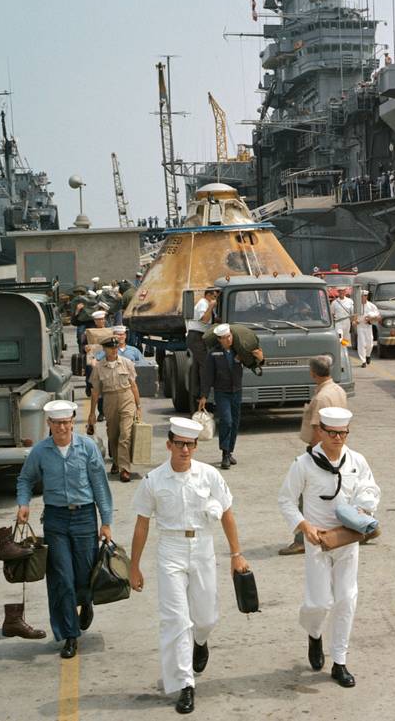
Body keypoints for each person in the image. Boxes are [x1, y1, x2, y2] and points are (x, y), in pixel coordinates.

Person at [129, 417, 250, 715]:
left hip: (202, 547)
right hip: (170, 548)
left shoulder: (209, 476)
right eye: (180, 444)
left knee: (206, 617)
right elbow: (142, 524)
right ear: (169, 445)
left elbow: (227, 514)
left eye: (190, 445)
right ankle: (185, 684)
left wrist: (237, 554)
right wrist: (134, 566)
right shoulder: (154, 480)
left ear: (196, 446)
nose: (185, 450)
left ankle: (201, 641)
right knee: (176, 620)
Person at [278, 407, 380, 688]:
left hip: (347, 539)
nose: (338, 438)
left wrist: (363, 506)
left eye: (343, 433)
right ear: (320, 431)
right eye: (332, 432)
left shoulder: (356, 461)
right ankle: (314, 633)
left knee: (347, 598)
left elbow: (371, 489)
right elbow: (286, 500)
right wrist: (304, 526)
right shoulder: (304, 464)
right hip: (318, 542)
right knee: (318, 603)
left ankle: (339, 661)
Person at [16, 400, 113, 659]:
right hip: (56, 520)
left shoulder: (87, 448)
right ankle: (70, 635)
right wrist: (23, 503)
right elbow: (25, 478)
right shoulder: (41, 452)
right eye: (56, 423)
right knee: (62, 579)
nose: (61, 428)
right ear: (49, 424)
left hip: (84, 518)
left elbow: (100, 486)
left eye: (66, 422)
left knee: (84, 574)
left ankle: (86, 602)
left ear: (73, 422)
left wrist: (105, 522)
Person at [278, 357, 349, 556]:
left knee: (305, 494)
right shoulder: (338, 390)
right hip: (336, 449)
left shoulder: (322, 397)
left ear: (313, 373)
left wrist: (314, 454)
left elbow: (319, 430)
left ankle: (301, 539)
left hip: (322, 452)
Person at [87, 336, 141, 483]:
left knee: (125, 434)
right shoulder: (98, 367)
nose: (114, 350)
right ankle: (116, 462)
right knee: (113, 434)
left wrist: (138, 405)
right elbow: (95, 392)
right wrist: (92, 413)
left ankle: (125, 469)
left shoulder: (127, 363)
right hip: (109, 400)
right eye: (111, 348)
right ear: (104, 349)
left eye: (116, 347)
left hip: (126, 398)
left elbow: (134, 385)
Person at [199, 324, 245, 470]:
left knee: (235, 422)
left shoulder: (238, 352)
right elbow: (207, 376)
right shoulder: (213, 354)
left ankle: (230, 451)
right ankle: (224, 454)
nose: (229, 340)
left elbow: (255, 362)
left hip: (237, 391)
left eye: (230, 336)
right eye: (225, 338)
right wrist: (204, 396)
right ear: (219, 339)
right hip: (222, 392)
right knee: (227, 421)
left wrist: (259, 357)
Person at [186, 289, 218, 402]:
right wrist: (211, 306)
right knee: (205, 364)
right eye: (214, 297)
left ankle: (197, 392)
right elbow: (205, 319)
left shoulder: (207, 304)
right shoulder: (203, 303)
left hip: (201, 337)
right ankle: (204, 394)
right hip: (196, 337)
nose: (215, 300)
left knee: (198, 366)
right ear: (208, 295)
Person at [355, 290, 380, 367]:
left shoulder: (371, 306)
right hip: (360, 326)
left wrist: (370, 318)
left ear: (367, 297)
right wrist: (355, 321)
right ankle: (363, 361)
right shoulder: (357, 306)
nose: (364, 298)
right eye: (362, 296)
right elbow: (353, 316)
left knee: (370, 344)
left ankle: (368, 355)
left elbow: (378, 316)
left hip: (368, 326)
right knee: (362, 344)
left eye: (365, 296)